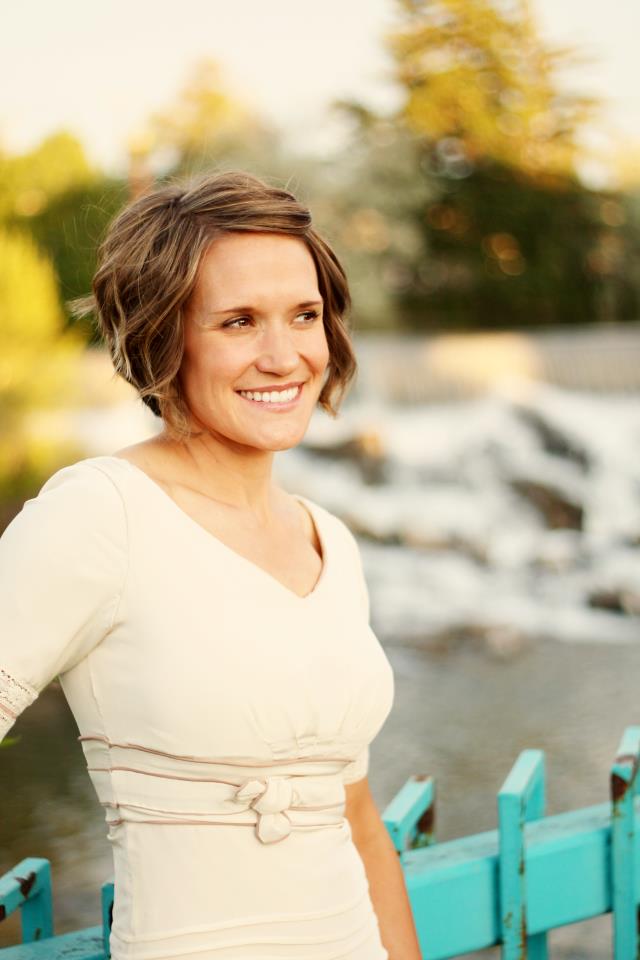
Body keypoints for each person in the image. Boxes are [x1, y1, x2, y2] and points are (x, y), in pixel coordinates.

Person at [0, 170, 422, 959]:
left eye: (304, 315)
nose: (284, 356)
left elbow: (359, 824)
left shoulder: (329, 539)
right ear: (164, 336)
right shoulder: (100, 514)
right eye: (238, 321)